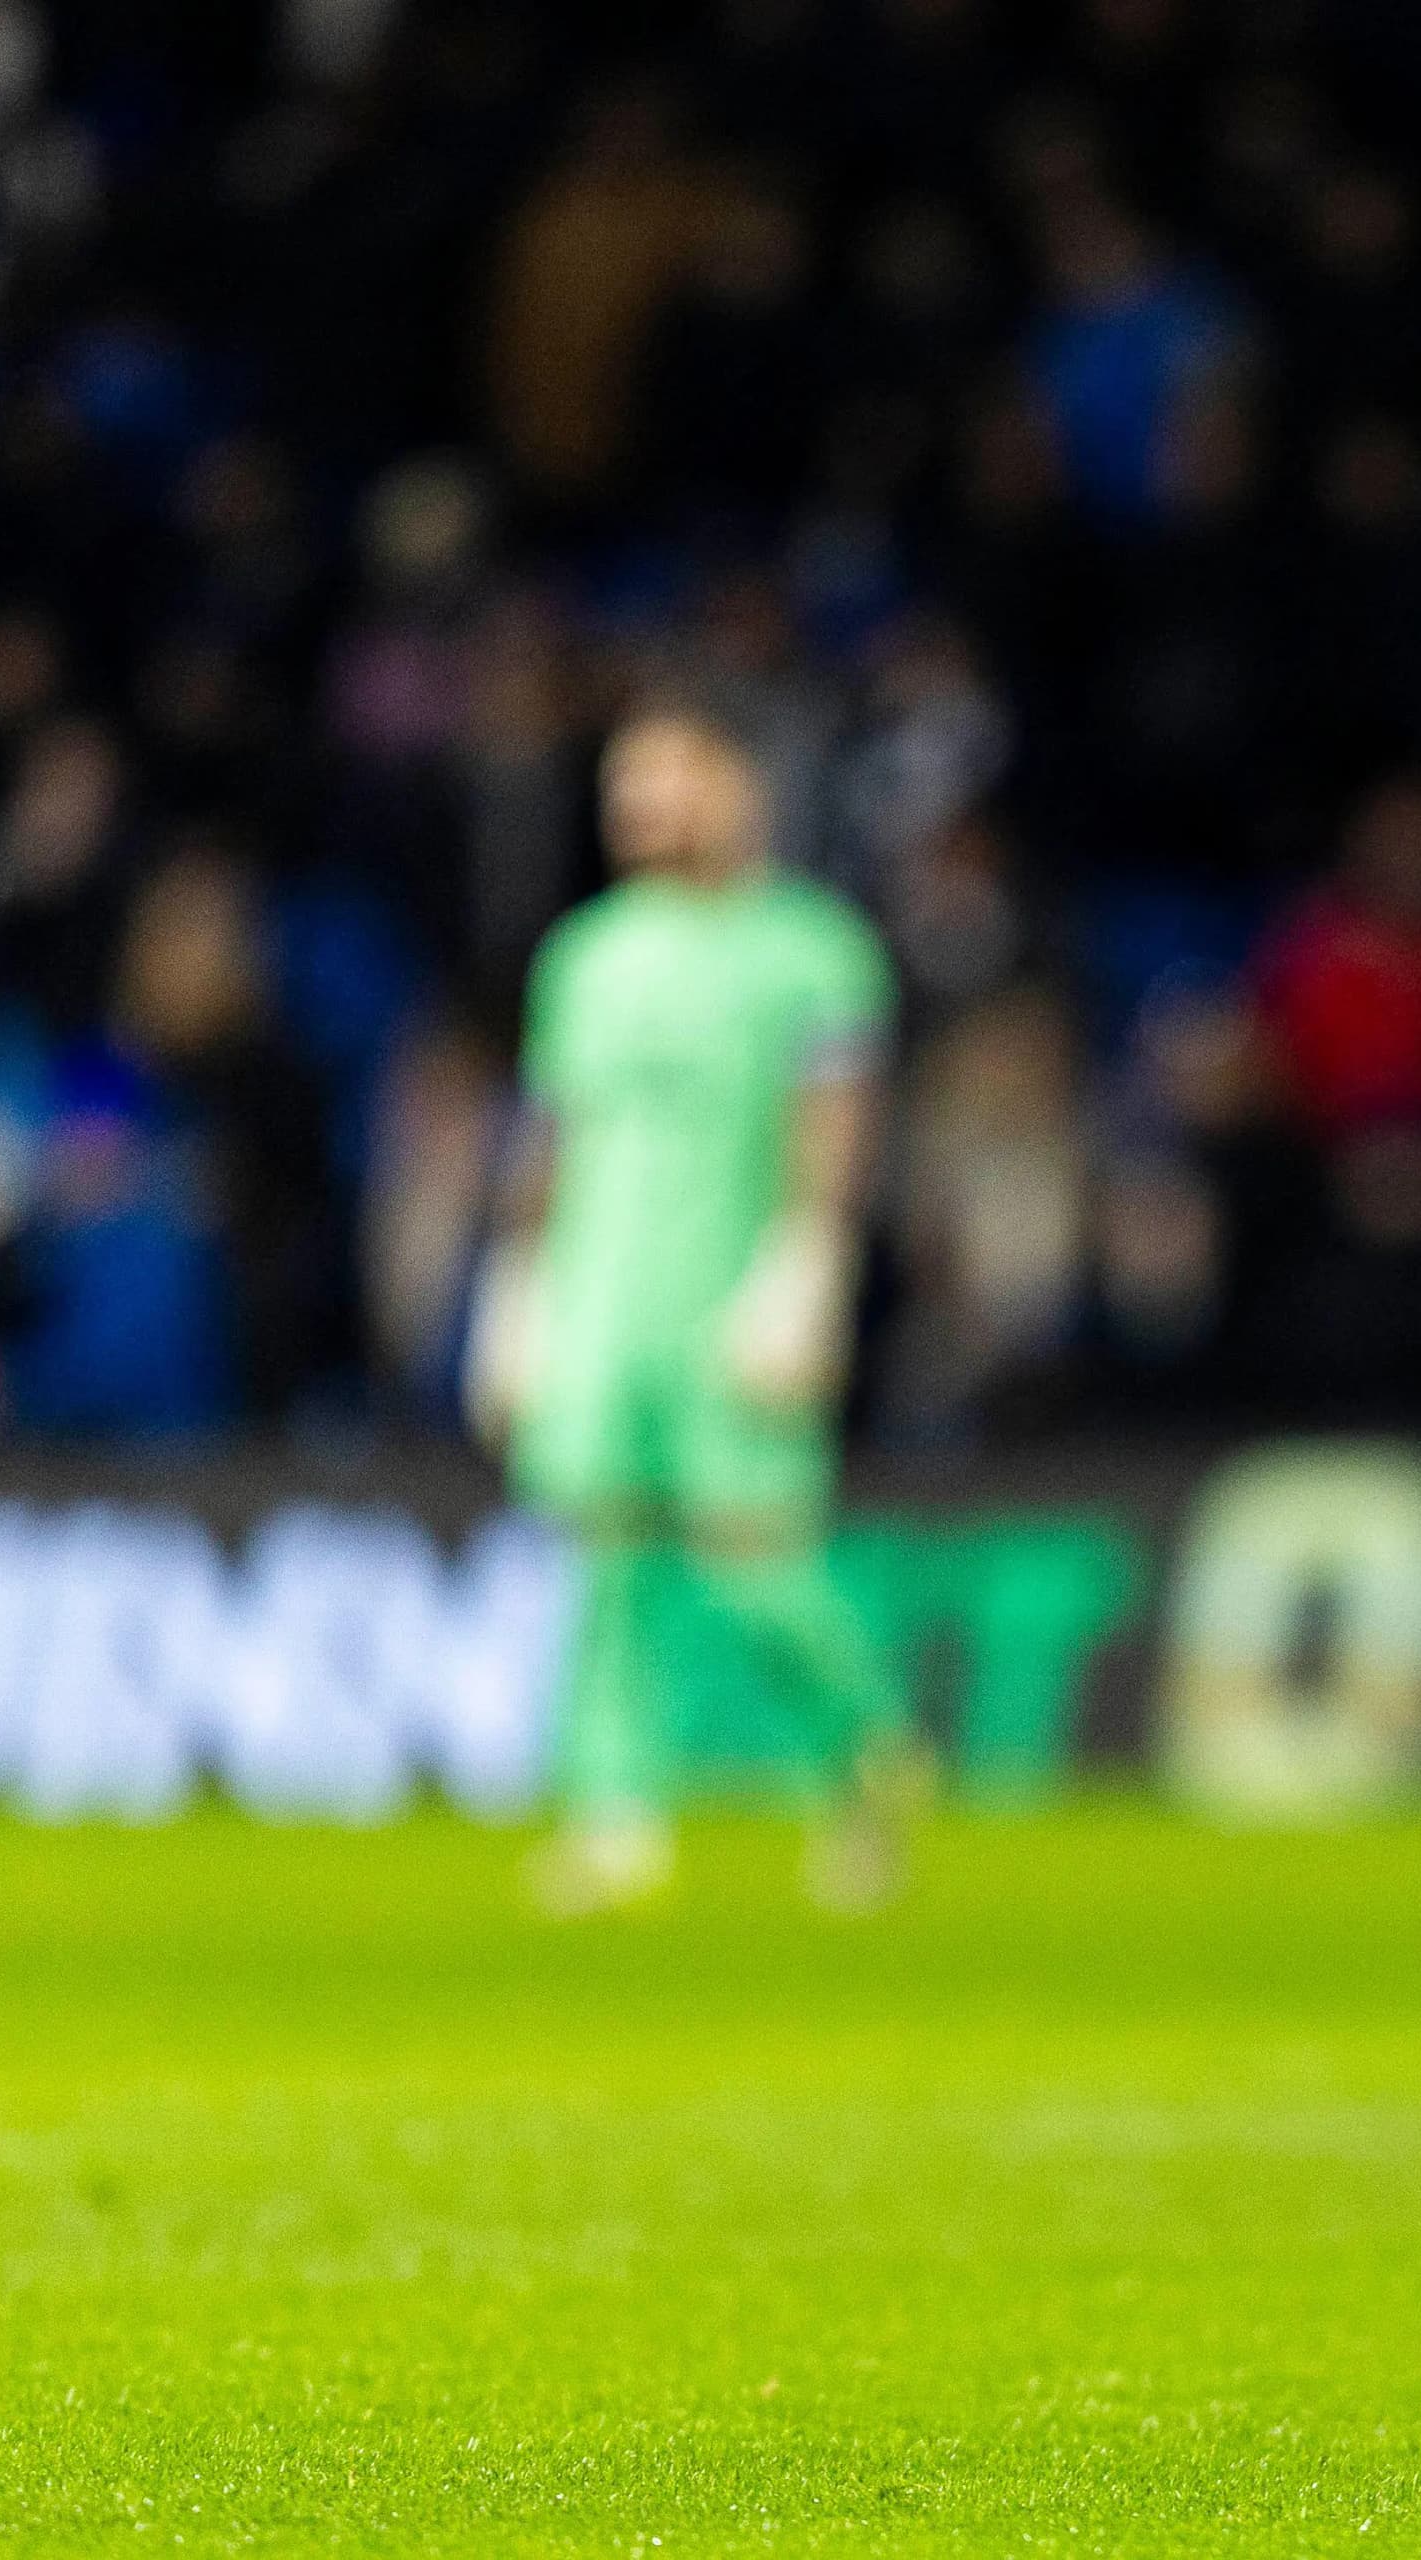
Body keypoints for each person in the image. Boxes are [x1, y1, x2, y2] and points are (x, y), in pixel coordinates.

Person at [472, 697, 908, 1913]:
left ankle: (862, 1751)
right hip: (603, 1291)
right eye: (628, 783)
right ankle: (613, 1812)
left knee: (756, 1553)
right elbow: (548, 1134)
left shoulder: (813, 948)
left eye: (670, 779)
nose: (643, 807)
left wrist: (809, 1261)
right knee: (603, 1555)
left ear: (739, 790)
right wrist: (515, 1289)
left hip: (734, 1282)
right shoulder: (589, 956)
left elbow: (835, 1115)